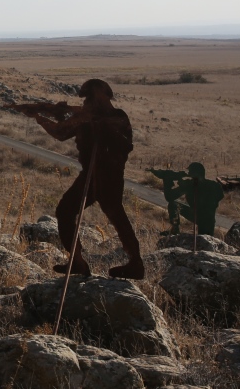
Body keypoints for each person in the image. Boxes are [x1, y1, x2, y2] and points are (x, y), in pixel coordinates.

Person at [8, 79, 143, 279]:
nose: (89, 102)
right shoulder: (86, 118)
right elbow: (61, 132)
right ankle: (77, 260)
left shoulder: (118, 117)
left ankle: (135, 263)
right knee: (66, 210)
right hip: (89, 173)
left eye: (92, 97)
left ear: (105, 97)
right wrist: (41, 116)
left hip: (109, 176)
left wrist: (97, 125)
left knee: (116, 215)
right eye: (88, 99)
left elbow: (124, 143)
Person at [156, 162, 224, 236]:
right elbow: (220, 196)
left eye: (190, 172)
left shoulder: (190, 185)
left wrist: (167, 181)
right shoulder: (214, 185)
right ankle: (175, 230)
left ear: (195, 173)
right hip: (208, 218)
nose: (189, 173)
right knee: (205, 240)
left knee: (173, 205)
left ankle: (175, 229)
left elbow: (170, 197)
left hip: (199, 216)